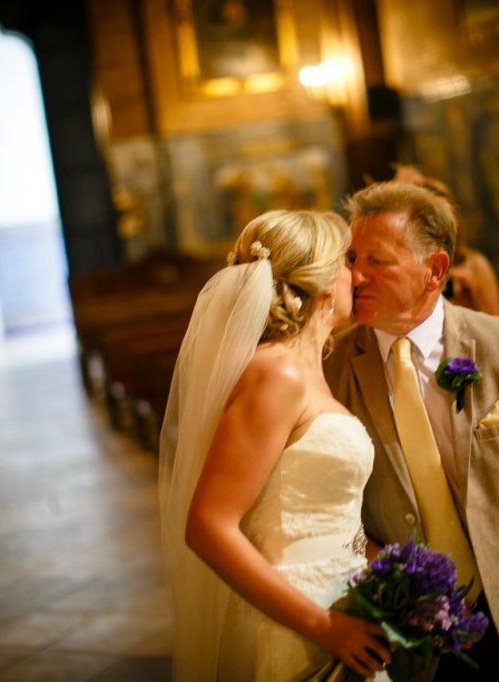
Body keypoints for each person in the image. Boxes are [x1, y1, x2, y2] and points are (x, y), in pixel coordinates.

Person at [325, 182, 499, 681]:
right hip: (401, 643)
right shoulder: (330, 369)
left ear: (434, 270)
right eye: (352, 258)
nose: (356, 276)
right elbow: (329, 515)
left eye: (378, 261)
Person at [159, 210, 391, 681]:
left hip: (342, 608)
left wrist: (396, 569)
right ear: (323, 282)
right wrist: (325, 626)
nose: (358, 275)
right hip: (297, 625)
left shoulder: (309, 371)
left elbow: (318, 509)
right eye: (348, 261)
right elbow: (208, 525)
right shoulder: (277, 372)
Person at [391, 165, 499, 315]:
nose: (438, 227)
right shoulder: (404, 269)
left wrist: (474, 301)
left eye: (445, 217)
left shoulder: (474, 265)